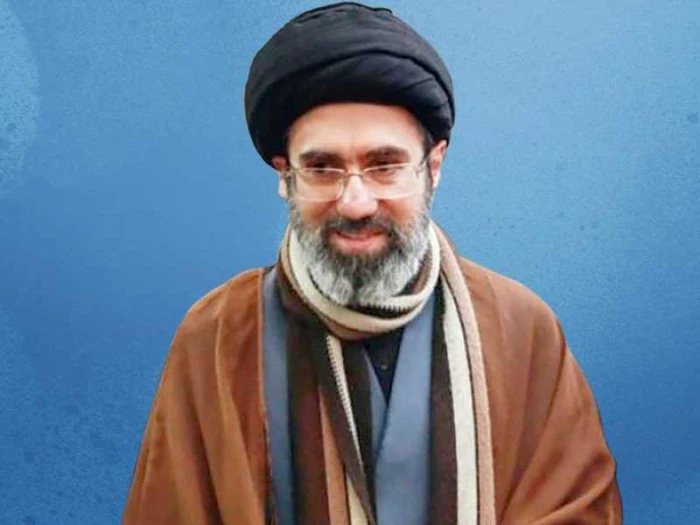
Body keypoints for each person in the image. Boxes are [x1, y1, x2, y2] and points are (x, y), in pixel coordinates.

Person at [123, 3, 622, 524]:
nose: (356, 203)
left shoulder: (521, 330)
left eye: (384, 165)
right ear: (285, 177)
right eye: (323, 168)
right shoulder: (219, 337)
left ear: (433, 167)